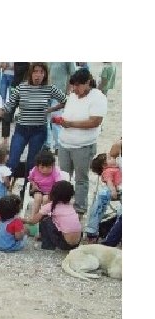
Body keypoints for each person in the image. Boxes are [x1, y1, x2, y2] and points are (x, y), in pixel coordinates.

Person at [0, 63, 67, 178]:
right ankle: (6, 186)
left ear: (45, 74)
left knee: (31, 164)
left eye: (41, 72)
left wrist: (52, 109)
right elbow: (10, 104)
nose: (38, 75)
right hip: (21, 129)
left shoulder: (49, 88)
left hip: (39, 130)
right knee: (13, 160)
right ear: (31, 73)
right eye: (35, 71)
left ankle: (26, 190)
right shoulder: (22, 87)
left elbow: (65, 100)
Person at [56, 68, 108, 215]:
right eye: (73, 85)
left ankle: (79, 208)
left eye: (78, 85)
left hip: (83, 145)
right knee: (63, 177)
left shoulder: (98, 97)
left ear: (87, 83)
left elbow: (95, 121)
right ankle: (62, 204)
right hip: (65, 142)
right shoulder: (72, 96)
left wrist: (71, 124)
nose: (75, 89)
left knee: (81, 179)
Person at [22, 180, 81, 251]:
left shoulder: (50, 206)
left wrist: (22, 220)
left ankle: (48, 245)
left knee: (45, 220)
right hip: (76, 243)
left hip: (65, 245)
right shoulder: (71, 206)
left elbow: (34, 221)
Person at [83, 153, 121, 242]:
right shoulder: (108, 171)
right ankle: (92, 231)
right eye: (110, 158)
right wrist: (112, 191)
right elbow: (109, 182)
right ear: (104, 165)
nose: (114, 158)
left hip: (116, 190)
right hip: (112, 191)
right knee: (98, 210)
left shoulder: (114, 168)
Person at [26, 149, 61, 218]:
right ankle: (34, 217)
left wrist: (53, 192)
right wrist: (33, 184)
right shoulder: (35, 170)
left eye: (48, 167)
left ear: (53, 165)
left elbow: (58, 183)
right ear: (37, 166)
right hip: (38, 189)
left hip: (50, 191)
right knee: (38, 198)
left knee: (45, 199)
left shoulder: (55, 172)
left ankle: (43, 217)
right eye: (42, 167)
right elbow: (30, 179)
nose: (45, 170)